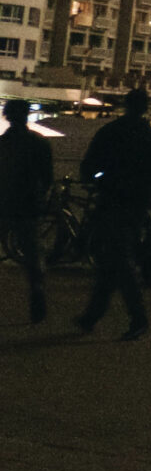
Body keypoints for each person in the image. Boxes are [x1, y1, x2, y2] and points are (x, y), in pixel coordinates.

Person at [75, 87, 151, 339]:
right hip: (137, 203)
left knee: (116, 258)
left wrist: (100, 178)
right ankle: (93, 315)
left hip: (111, 200)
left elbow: (89, 166)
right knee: (113, 258)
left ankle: (137, 317)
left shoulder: (110, 133)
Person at [2, 97, 52, 323]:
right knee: (32, 255)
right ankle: (37, 296)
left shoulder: (3, 144)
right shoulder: (39, 143)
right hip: (29, 206)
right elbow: (47, 177)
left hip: (4, 203)